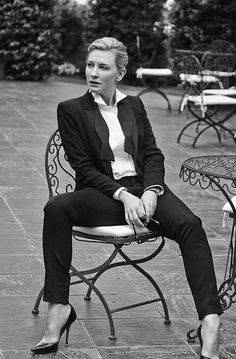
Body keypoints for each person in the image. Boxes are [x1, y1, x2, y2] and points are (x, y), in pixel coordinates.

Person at [31, 37, 223, 358]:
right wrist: (123, 195)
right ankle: (59, 309)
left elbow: (152, 155)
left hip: (144, 191)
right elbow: (84, 168)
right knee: (56, 208)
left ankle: (210, 322)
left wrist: (151, 190)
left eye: (102, 67)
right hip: (104, 194)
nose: (93, 72)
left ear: (119, 74)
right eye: (90, 64)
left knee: (191, 225)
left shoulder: (134, 105)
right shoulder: (71, 110)